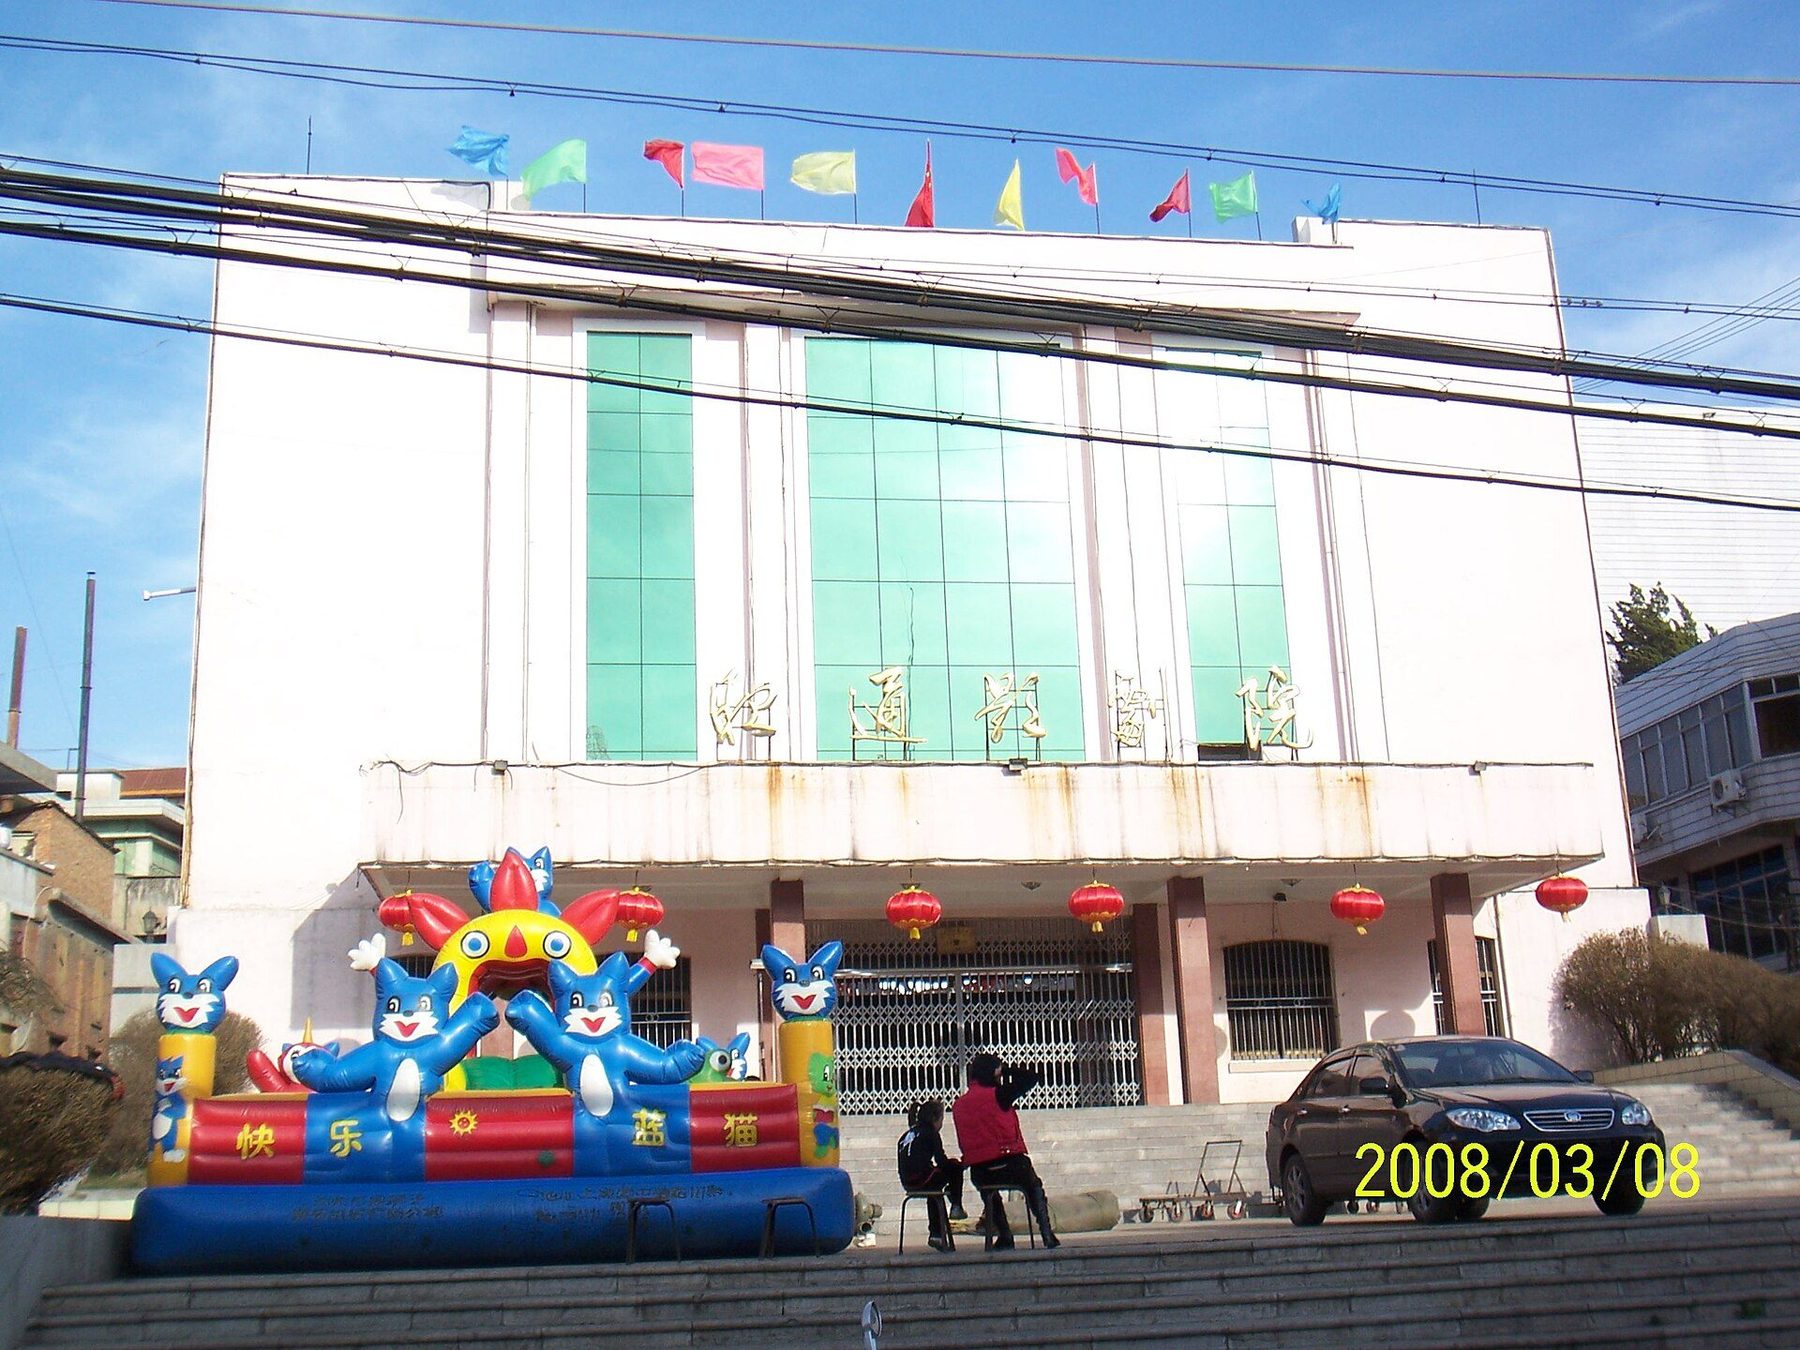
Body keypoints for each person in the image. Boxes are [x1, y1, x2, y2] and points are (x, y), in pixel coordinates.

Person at [950, 1052, 1059, 1250]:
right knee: (1033, 1186)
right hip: (1010, 1163)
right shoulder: (998, 1095)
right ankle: (1046, 1232)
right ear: (994, 1072)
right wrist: (1006, 1069)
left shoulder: (958, 1105)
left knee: (989, 1194)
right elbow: (1032, 1078)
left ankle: (1005, 1234)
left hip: (981, 1170)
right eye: (998, 1073)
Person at [896, 1098, 967, 1252]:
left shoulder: (906, 1135)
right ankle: (956, 1205)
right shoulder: (930, 1133)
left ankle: (936, 1235)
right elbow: (941, 1161)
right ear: (935, 1119)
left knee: (935, 1193)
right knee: (954, 1167)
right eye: (941, 1119)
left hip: (908, 1182)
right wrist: (962, 1166)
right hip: (922, 1179)